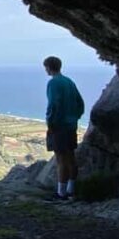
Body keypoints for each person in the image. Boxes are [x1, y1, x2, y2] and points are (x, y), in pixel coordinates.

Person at [43, 56, 85, 200]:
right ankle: (71, 190)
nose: (45, 70)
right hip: (71, 126)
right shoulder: (69, 82)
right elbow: (80, 104)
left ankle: (61, 193)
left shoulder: (53, 83)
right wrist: (74, 118)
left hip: (58, 126)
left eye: (46, 67)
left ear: (49, 67)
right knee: (71, 157)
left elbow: (53, 104)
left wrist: (50, 122)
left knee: (60, 159)